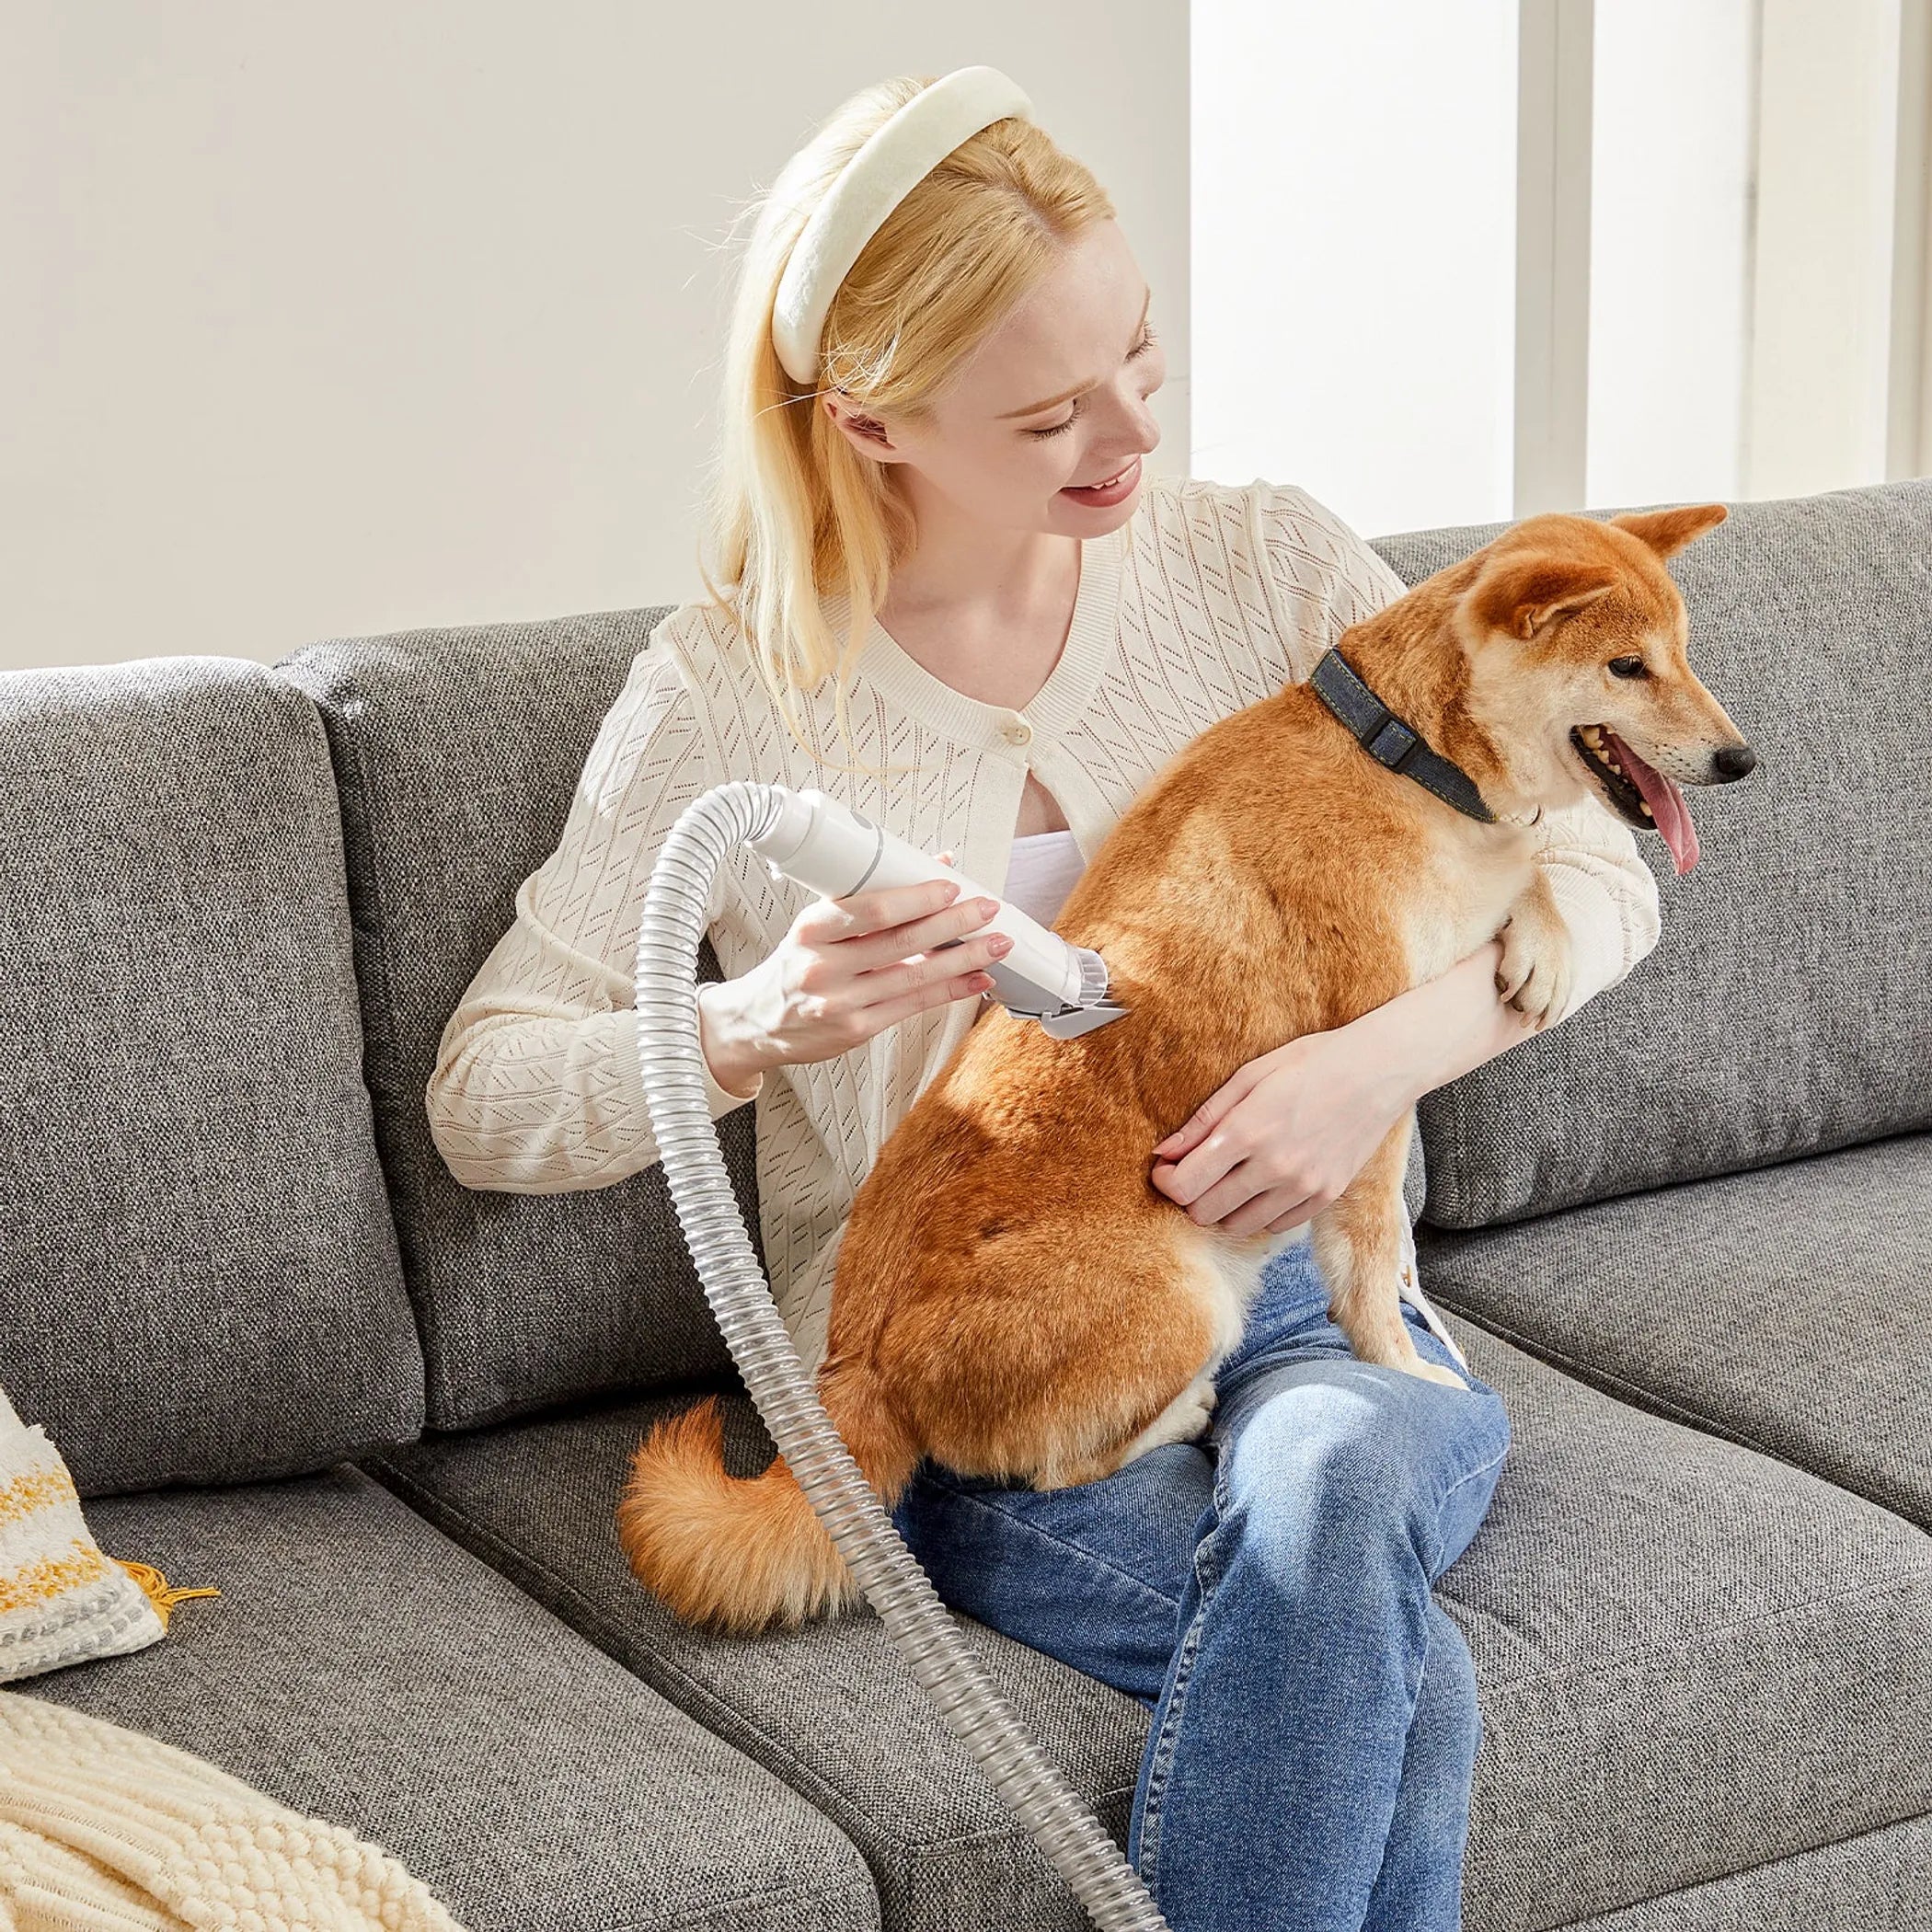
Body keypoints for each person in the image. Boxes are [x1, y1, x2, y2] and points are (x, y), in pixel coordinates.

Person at [426, 67, 1663, 1932]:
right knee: (1395, 1682)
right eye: (1047, 413)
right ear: (873, 425)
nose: (1126, 435)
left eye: (1142, 363)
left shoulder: (1258, 566)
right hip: (992, 1357)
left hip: (1320, 1313)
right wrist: (759, 1022)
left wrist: (1364, 1071)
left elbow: (1599, 867)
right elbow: (486, 1096)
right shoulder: (726, 700)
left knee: (1334, 1489)